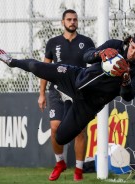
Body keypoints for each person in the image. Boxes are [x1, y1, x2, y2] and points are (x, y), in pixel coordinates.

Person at [0, 28, 135, 178]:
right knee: (36, 67)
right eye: (132, 47)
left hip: (89, 104)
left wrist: (125, 79)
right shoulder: (115, 46)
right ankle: (11, 61)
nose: (132, 53)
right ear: (130, 41)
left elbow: (127, 96)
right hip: (75, 78)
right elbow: (87, 56)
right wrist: (101, 53)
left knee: (61, 137)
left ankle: (68, 104)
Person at [37, 9, 95, 181]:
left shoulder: (87, 41)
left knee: (80, 132)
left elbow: (93, 67)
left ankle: (78, 170)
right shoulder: (53, 43)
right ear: (63, 22)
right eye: (69, 19)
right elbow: (44, 70)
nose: (72, 22)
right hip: (57, 91)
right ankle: (60, 162)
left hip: (79, 92)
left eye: (75, 19)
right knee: (55, 128)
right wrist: (41, 94)